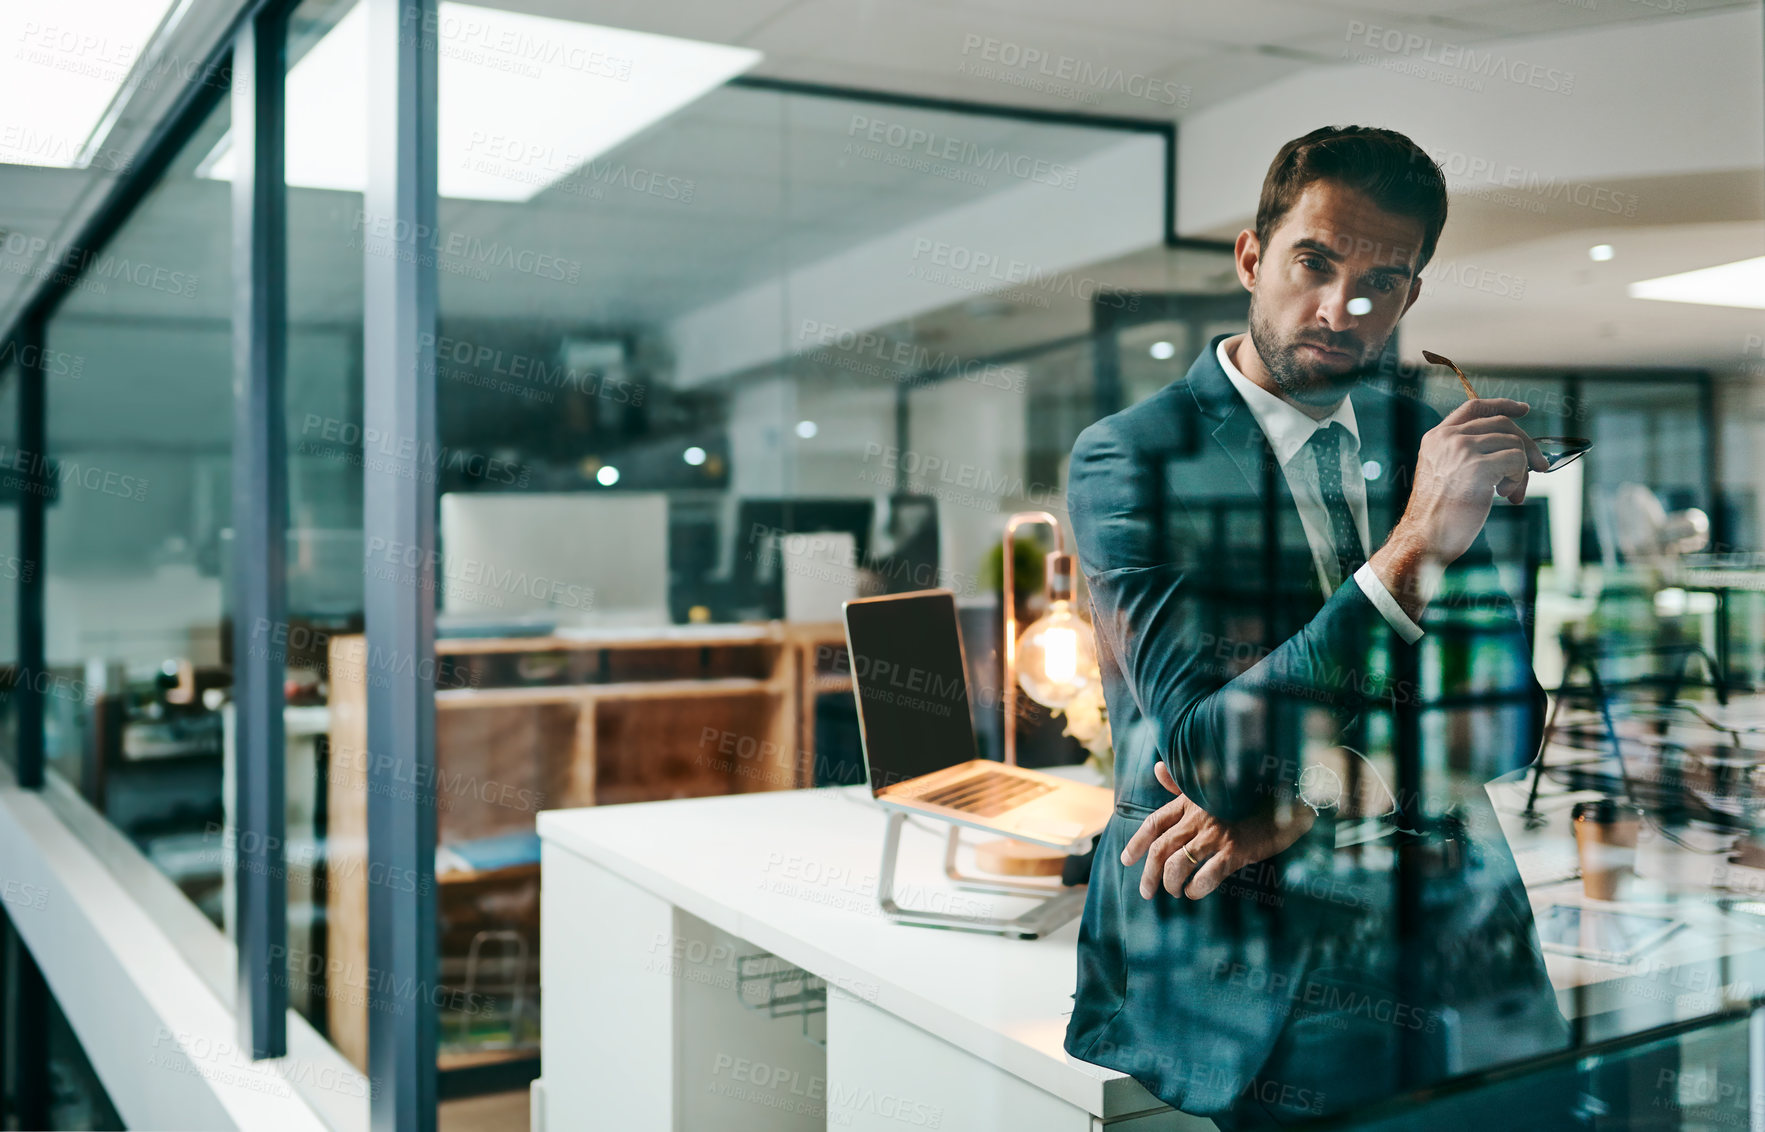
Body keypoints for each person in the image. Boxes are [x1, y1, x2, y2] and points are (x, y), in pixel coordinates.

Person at [1062, 125, 1579, 1129]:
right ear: (1253, 257)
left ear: (1411, 296)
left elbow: (1507, 716)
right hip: (1270, 979)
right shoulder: (1132, 457)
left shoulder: (1419, 443)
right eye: (1315, 261)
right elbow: (1211, 750)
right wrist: (1414, 548)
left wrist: (1303, 798)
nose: (1344, 306)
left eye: (1383, 281)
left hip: (1467, 947)